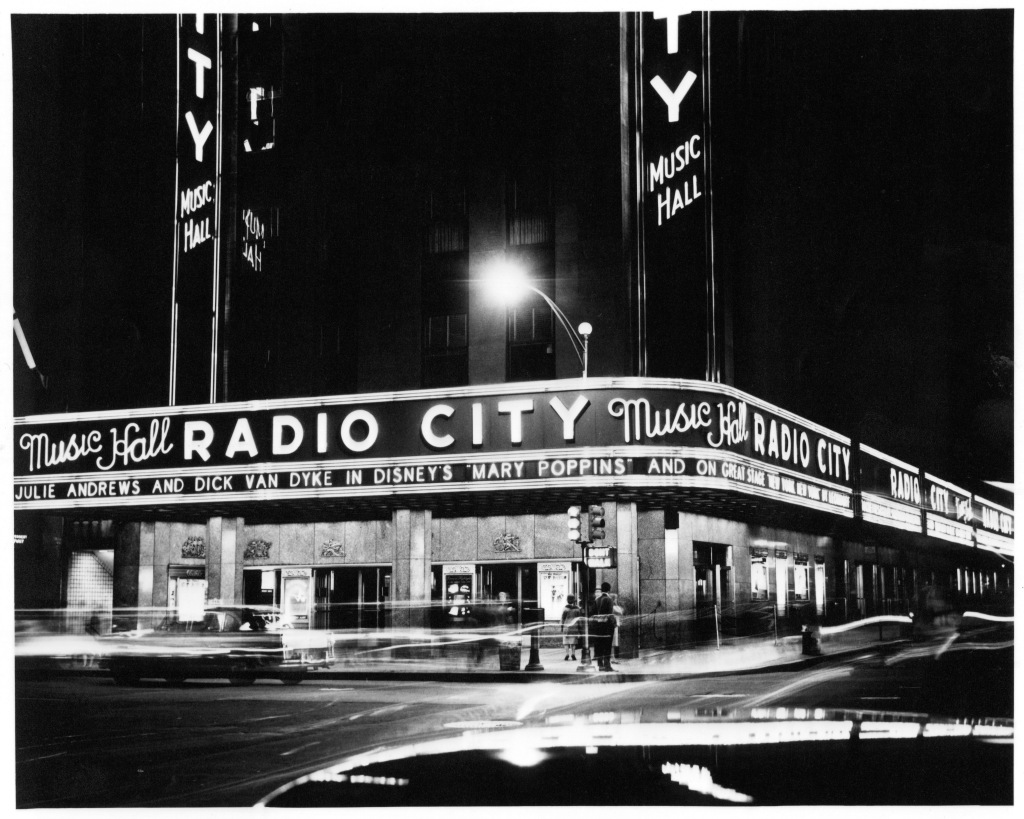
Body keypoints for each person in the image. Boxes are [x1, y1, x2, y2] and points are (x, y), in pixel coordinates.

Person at [592, 582, 616, 671]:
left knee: (599, 645)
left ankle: (600, 664)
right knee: (607, 645)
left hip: (598, 626)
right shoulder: (609, 599)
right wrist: (614, 623)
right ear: (609, 589)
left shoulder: (597, 599)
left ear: (601, 589)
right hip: (607, 626)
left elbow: (593, 612)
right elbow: (610, 614)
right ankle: (607, 665)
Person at [560, 595, 581, 661]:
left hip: (566, 626)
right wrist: (580, 628)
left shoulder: (565, 608)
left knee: (566, 642)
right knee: (573, 642)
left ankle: (567, 654)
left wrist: (562, 626)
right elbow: (579, 619)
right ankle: (573, 654)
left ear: (567, 600)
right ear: (574, 600)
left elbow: (563, 618)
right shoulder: (577, 609)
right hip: (574, 626)